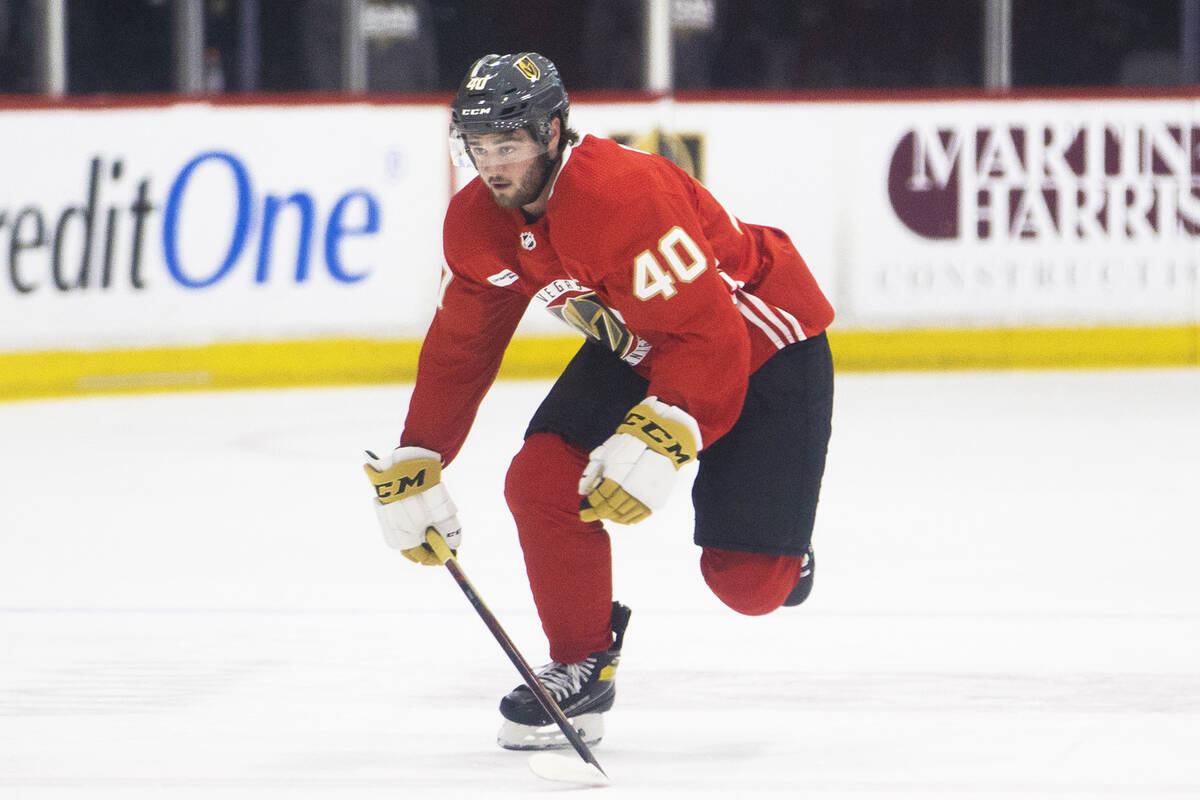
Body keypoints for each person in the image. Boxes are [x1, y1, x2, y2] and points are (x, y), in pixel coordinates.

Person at [364, 52, 835, 751]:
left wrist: (666, 431)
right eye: (480, 148)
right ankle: (584, 665)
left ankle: (786, 559)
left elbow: (710, 335)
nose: (492, 165)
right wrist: (421, 452)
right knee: (541, 478)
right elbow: (462, 345)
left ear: (552, 133)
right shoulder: (477, 225)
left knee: (747, 585)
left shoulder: (620, 198)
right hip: (647, 341)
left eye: (509, 145)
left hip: (760, 338)